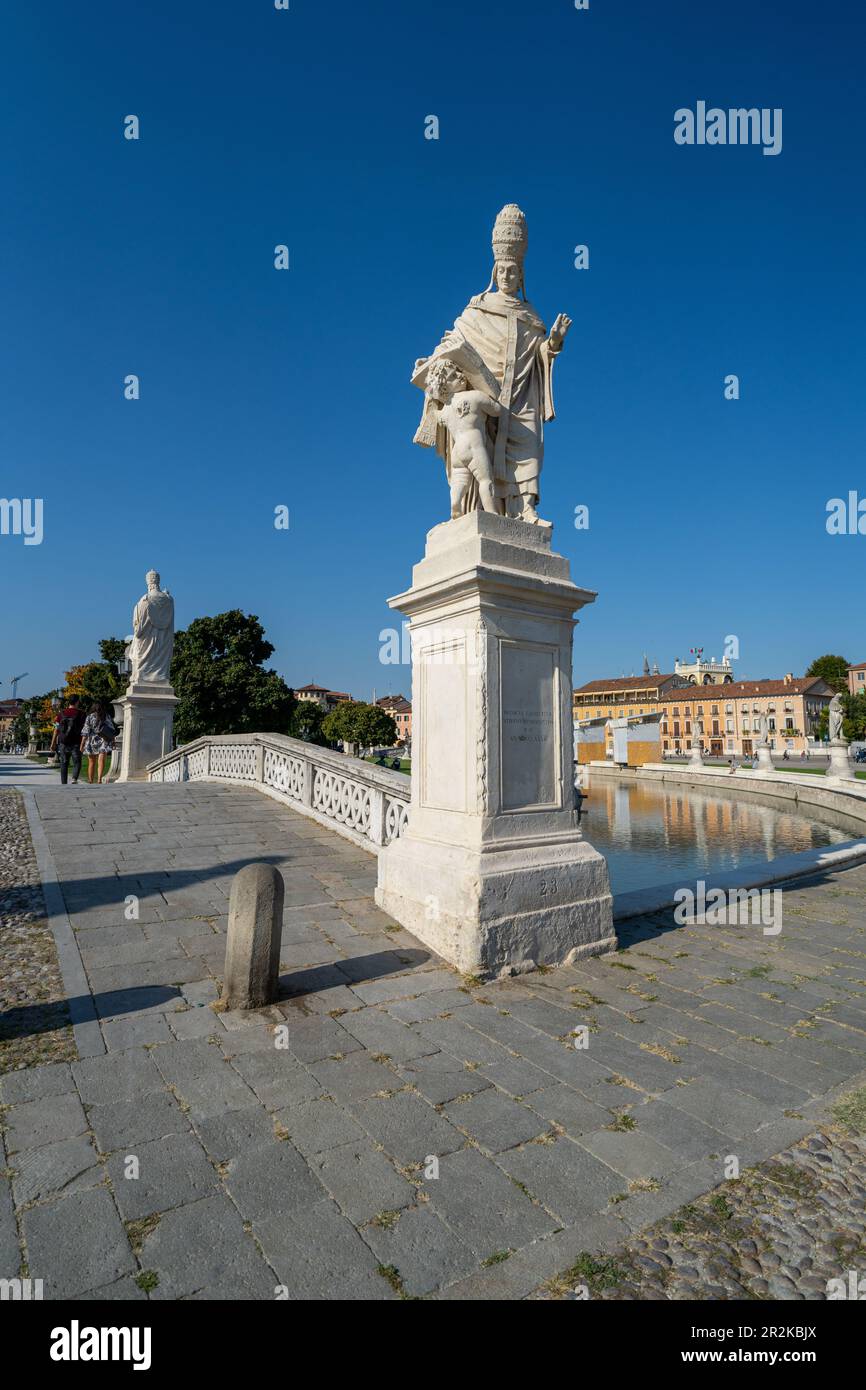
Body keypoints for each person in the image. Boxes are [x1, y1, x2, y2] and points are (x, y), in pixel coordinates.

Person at [50, 695, 86, 785]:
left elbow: (56, 729)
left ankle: (64, 783)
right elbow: (85, 729)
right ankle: (74, 778)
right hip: (76, 741)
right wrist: (84, 743)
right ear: (77, 702)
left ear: (68, 702)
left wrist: (53, 742)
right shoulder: (82, 714)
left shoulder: (61, 714)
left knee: (64, 762)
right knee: (77, 761)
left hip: (63, 742)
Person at [80, 701, 117, 785]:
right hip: (103, 740)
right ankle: (99, 779)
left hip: (91, 741)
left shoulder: (89, 717)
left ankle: (90, 780)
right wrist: (113, 742)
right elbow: (112, 730)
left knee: (91, 762)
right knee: (101, 761)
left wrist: (82, 744)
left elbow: (85, 732)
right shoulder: (106, 716)